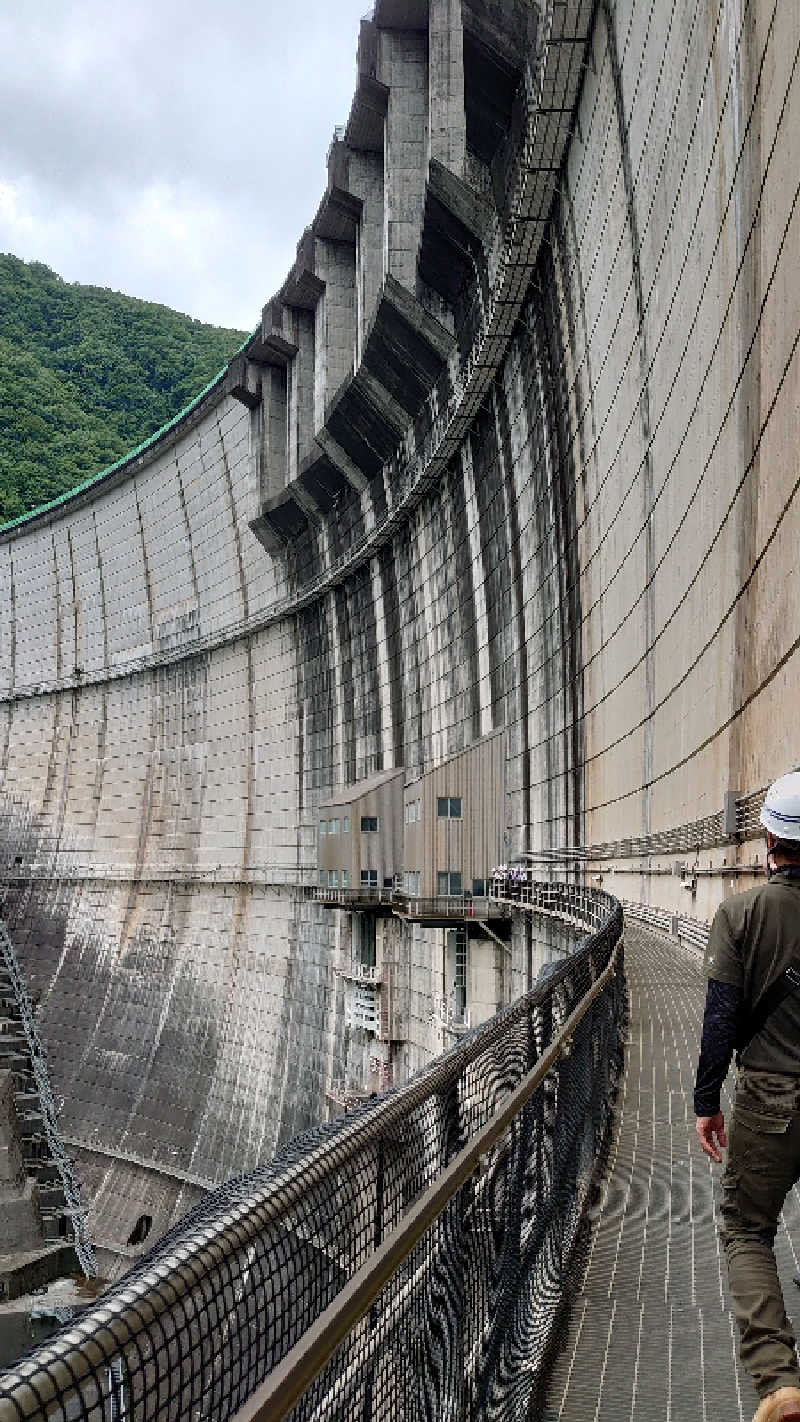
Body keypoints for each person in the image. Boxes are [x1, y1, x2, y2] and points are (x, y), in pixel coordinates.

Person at [695, 772, 800, 1422]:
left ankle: (778, 1381)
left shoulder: (740, 914)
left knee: (746, 1229)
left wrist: (707, 1102)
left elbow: (719, 1021)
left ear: (768, 838)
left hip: (768, 1102)